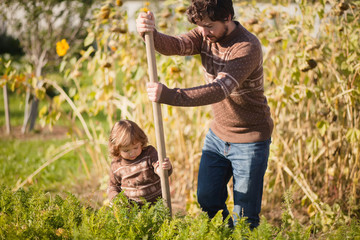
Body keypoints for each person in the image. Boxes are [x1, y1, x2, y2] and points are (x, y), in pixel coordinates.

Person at [136, 0, 273, 229]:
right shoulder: (204, 33)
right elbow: (177, 45)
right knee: (207, 200)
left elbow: (219, 90)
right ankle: (225, 234)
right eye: (200, 26)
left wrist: (169, 95)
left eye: (209, 26)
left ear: (228, 17)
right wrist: (149, 33)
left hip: (251, 139)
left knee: (245, 215)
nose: (204, 32)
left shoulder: (247, 47)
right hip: (218, 136)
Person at [107, 119, 172, 206]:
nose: (132, 153)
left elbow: (158, 166)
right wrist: (115, 198)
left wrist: (163, 169)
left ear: (141, 142)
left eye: (135, 148)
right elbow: (113, 186)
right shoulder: (116, 164)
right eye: (126, 150)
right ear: (116, 149)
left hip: (157, 206)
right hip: (133, 210)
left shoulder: (149, 154)